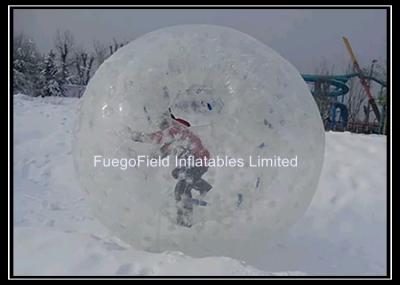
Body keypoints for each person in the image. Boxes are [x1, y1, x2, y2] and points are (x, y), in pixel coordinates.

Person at [127, 111, 212, 227]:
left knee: (181, 188)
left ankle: (185, 221)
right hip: (197, 161)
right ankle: (204, 187)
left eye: (161, 123)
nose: (160, 127)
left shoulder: (175, 129)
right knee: (177, 173)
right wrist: (151, 157)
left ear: (167, 121)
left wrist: (134, 136)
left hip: (198, 160)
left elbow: (154, 138)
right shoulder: (176, 134)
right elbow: (166, 149)